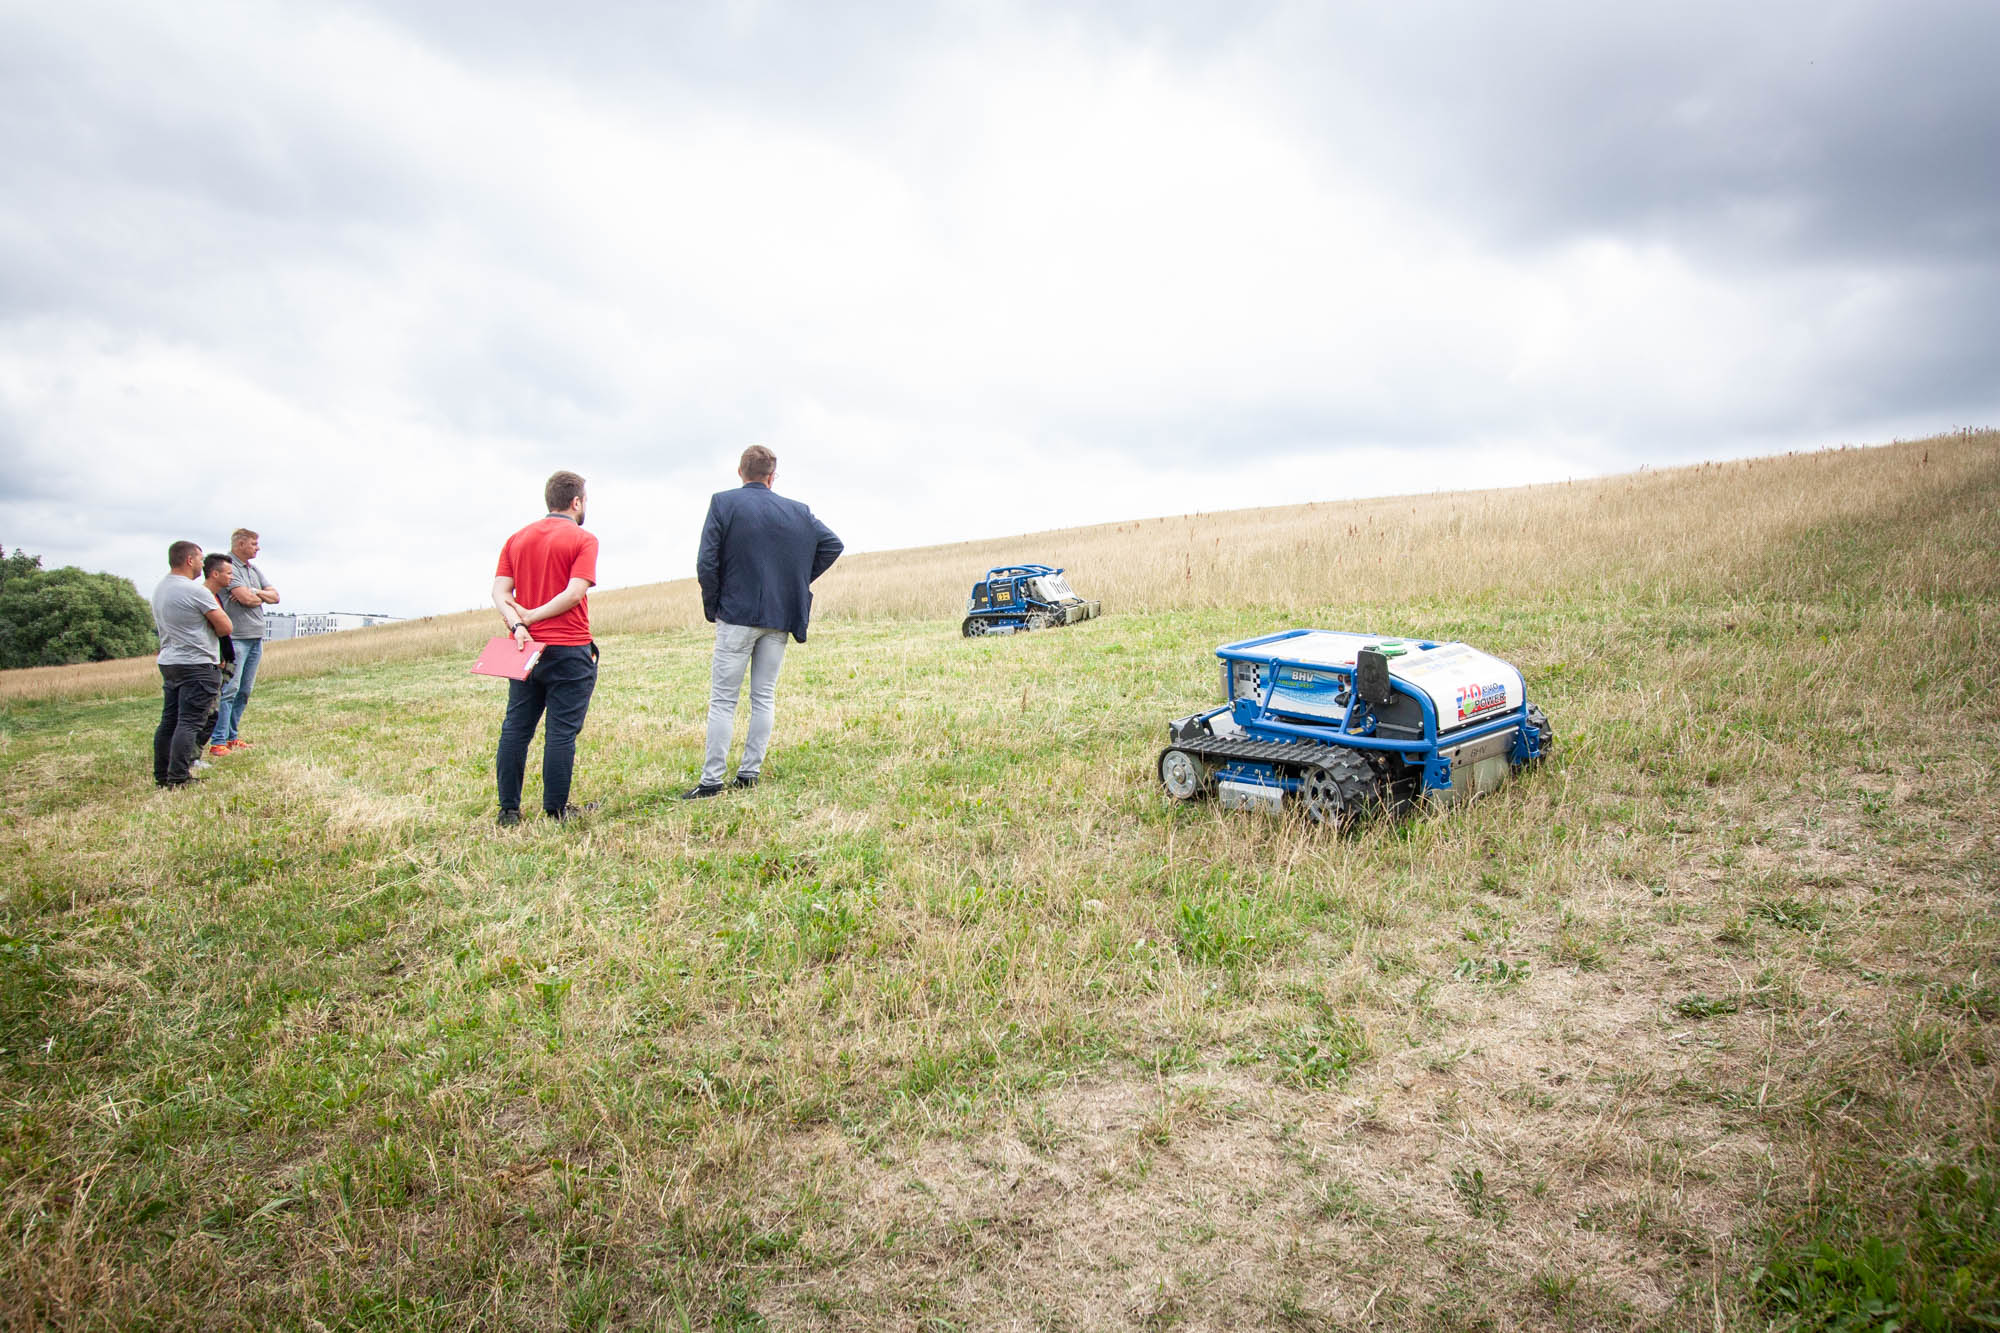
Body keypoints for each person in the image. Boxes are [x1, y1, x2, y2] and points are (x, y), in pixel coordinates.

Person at [687, 446, 843, 799]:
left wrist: (715, 606)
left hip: (736, 613)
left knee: (724, 699)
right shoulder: (797, 512)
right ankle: (749, 774)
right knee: (763, 696)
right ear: (772, 476)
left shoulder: (723, 504)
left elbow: (706, 563)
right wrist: (796, 582)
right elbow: (832, 544)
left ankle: (712, 781)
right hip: (779, 616)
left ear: (740, 472)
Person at [490, 470, 600, 826]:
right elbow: (574, 592)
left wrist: (519, 624)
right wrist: (535, 616)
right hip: (569, 647)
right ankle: (555, 809)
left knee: (516, 728)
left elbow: (500, 593)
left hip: (523, 647)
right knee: (561, 731)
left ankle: (509, 810)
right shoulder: (584, 539)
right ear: (577, 501)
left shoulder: (516, 539)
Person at [151, 543, 235, 787]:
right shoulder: (194, 591)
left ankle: (162, 776)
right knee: (189, 722)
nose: (202, 564)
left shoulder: (160, 588)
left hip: (170, 662)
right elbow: (225, 626)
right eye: (200, 559)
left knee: (169, 721)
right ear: (189, 560)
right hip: (197, 663)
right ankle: (179, 777)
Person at [207, 527, 279, 756]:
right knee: (229, 689)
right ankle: (218, 741)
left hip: (255, 637)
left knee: (244, 690)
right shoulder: (229, 568)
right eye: (254, 544)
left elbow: (275, 597)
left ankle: (232, 737)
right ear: (240, 544)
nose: (257, 548)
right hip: (237, 638)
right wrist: (256, 596)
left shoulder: (253, 569)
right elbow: (245, 599)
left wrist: (255, 591)